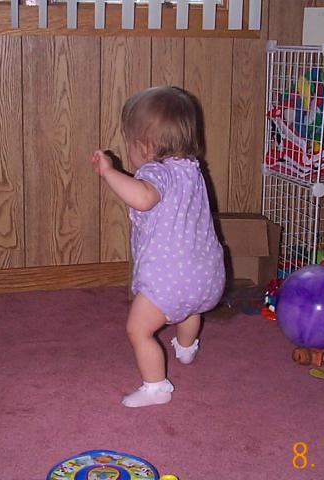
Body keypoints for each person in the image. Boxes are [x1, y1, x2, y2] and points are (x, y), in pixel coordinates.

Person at [90, 86, 226, 408]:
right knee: (189, 309)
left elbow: (143, 197)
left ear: (146, 146)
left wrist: (109, 173)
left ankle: (156, 388)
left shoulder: (155, 172)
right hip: (208, 276)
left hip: (169, 282)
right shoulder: (192, 169)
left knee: (138, 330)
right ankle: (186, 347)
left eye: (130, 143)